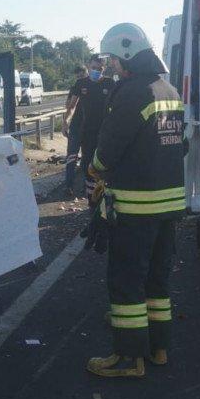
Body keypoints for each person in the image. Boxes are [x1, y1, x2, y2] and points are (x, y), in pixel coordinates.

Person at [84, 23, 185, 379]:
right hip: (168, 205)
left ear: (125, 54)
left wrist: (95, 172)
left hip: (136, 207)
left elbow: (109, 148)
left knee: (126, 282)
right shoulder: (168, 90)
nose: (109, 66)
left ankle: (129, 359)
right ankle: (158, 349)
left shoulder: (132, 93)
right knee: (157, 283)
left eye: (112, 59)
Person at [73, 56, 116, 200]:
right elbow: (72, 104)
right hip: (87, 132)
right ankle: (91, 198)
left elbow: (117, 105)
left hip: (105, 132)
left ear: (104, 69)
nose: (96, 71)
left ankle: (104, 195)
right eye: (93, 68)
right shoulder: (81, 83)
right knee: (87, 164)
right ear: (88, 66)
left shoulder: (110, 83)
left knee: (104, 163)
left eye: (99, 69)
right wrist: (66, 121)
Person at [62, 65, 88, 192]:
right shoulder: (76, 87)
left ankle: (87, 186)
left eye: (81, 76)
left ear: (86, 72)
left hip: (90, 127)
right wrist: (65, 122)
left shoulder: (96, 86)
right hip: (76, 126)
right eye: (78, 77)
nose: (80, 79)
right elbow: (69, 106)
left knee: (88, 158)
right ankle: (69, 186)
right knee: (71, 157)